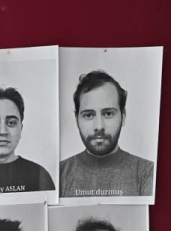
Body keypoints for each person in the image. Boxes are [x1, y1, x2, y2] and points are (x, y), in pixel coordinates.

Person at [59, 70, 155, 198]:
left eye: (108, 113)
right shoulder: (60, 173)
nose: (99, 126)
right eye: (89, 115)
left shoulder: (147, 172)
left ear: (123, 116)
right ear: (77, 119)